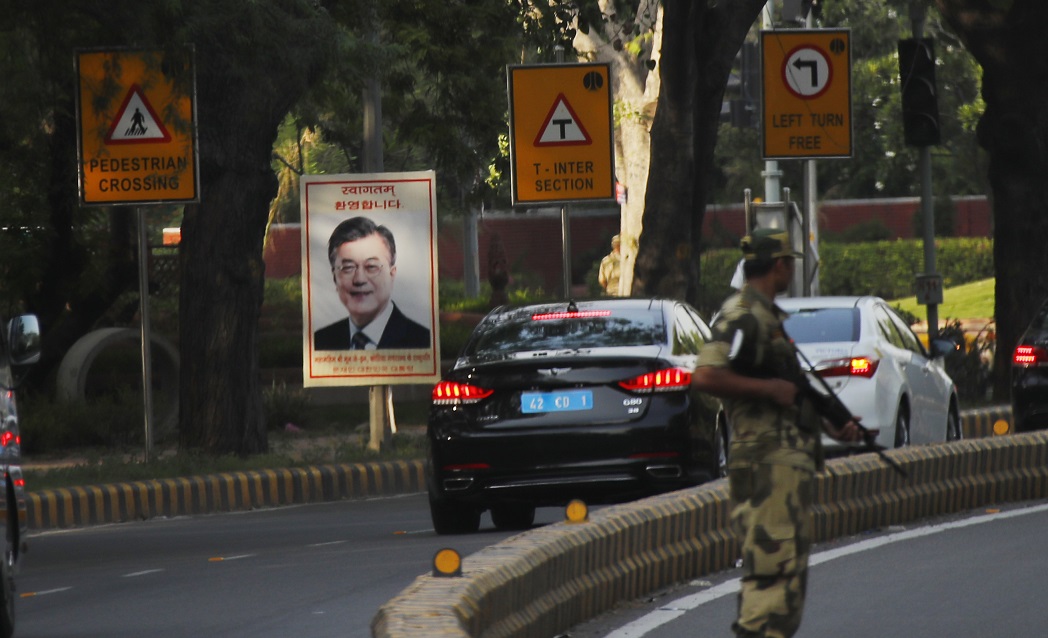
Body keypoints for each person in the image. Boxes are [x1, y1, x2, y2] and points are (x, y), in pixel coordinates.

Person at [691, 228, 868, 638]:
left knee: (787, 582)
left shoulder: (769, 319)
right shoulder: (743, 315)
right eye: (789, 263)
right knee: (770, 576)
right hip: (765, 464)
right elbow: (706, 375)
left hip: (784, 465)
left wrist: (831, 423)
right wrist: (768, 389)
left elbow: (791, 393)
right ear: (779, 265)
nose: (791, 270)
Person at [313, 216, 431, 350]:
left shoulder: (423, 341)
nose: (359, 279)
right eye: (348, 267)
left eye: (371, 267)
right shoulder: (320, 342)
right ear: (334, 277)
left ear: (392, 273)